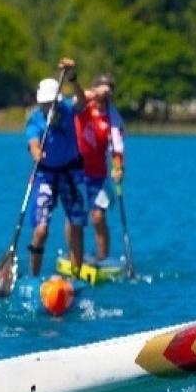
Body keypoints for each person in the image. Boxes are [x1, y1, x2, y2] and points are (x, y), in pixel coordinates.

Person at [25, 58, 87, 276]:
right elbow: (33, 141)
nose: (50, 107)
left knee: (76, 224)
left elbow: (82, 101)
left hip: (70, 172)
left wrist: (72, 79)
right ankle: (34, 276)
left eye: (52, 103)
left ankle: (76, 274)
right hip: (46, 176)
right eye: (46, 104)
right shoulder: (35, 120)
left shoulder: (67, 109)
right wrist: (36, 153)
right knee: (41, 231)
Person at [73, 75, 126, 266]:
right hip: (76, 171)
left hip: (98, 175)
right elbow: (77, 97)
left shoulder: (113, 117)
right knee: (75, 218)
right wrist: (96, 92)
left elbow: (117, 148)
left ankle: (102, 259)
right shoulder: (82, 105)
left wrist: (118, 168)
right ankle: (74, 256)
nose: (104, 98)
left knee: (97, 217)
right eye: (102, 92)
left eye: (108, 94)